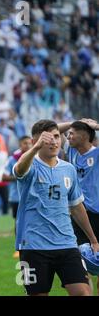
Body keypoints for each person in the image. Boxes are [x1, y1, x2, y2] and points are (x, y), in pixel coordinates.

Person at [13, 120, 99, 296]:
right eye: (47, 139)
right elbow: (19, 169)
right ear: (36, 142)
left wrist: (93, 239)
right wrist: (36, 147)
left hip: (67, 244)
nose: (53, 141)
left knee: (84, 292)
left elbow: (76, 207)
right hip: (33, 246)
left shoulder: (68, 169)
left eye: (56, 137)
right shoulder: (30, 166)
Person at [63, 119, 99, 294]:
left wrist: (96, 127)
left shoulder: (97, 154)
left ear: (85, 135)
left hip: (97, 214)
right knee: (80, 262)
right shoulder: (71, 150)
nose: (68, 136)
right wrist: (74, 122)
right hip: (78, 214)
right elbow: (51, 129)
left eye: (72, 133)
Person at [2, 135, 33, 258]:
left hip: (31, 196)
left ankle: (32, 245)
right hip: (16, 196)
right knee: (18, 222)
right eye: (25, 143)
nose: (28, 145)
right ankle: (19, 247)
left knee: (32, 220)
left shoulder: (36, 157)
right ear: (20, 145)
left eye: (29, 143)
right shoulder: (12, 159)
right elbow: (3, 177)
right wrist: (19, 175)